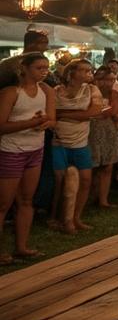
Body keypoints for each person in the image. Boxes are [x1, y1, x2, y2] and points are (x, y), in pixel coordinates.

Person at [0, 53, 56, 263]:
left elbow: (52, 118)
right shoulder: (11, 92)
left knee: (26, 200)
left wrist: (46, 123)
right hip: (11, 151)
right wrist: (32, 123)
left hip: (35, 149)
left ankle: (21, 247)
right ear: (24, 68)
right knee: (3, 203)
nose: (44, 72)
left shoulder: (46, 90)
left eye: (46, 68)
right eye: (39, 68)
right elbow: (2, 126)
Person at [51, 59, 105, 233]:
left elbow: (94, 112)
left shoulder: (91, 90)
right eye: (84, 70)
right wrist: (80, 114)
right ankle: (58, 217)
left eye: (90, 70)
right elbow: (51, 113)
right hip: (59, 141)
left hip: (80, 142)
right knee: (60, 180)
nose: (89, 73)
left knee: (85, 180)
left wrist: (63, 114)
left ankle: (76, 217)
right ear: (71, 72)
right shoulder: (56, 91)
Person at [89, 65, 118, 209]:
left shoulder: (114, 93)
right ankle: (90, 197)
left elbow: (114, 111)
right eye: (105, 79)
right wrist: (97, 112)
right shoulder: (90, 91)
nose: (108, 83)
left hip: (108, 129)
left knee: (108, 165)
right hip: (92, 130)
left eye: (111, 80)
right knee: (93, 165)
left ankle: (103, 200)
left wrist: (98, 112)